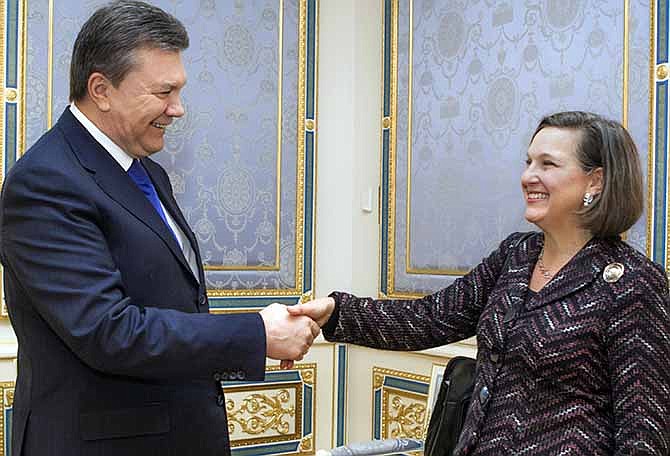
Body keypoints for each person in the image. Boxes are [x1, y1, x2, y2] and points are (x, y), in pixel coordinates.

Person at [0, 1, 319, 455]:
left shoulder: (147, 172)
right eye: (163, 92)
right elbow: (109, 331)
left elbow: (168, 303)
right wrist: (256, 334)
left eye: (179, 91)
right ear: (101, 89)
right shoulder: (46, 181)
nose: (178, 109)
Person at [290, 112, 670, 455]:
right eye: (528, 162)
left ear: (596, 181)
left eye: (548, 164)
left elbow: (645, 432)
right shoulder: (516, 255)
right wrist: (336, 312)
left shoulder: (633, 282)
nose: (528, 177)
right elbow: (429, 318)